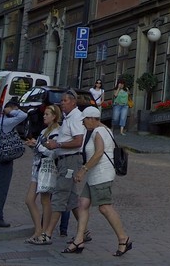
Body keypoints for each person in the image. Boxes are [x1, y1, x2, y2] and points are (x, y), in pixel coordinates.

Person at [66, 105, 132, 256]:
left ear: (91, 119)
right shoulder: (104, 129)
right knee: (82, 203)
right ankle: (79, 239)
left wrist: (83, 170)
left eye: (84, 120)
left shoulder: (98, 131)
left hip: (101, 174)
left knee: (104, 207)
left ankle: (123, 238)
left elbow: (99, 153)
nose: (83, 123)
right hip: (95, 176)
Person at [43, 86, 87, 243]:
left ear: (73, 102)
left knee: (60, 195)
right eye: (61, 100)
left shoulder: (75, 118)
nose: (62, 103)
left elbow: (78, 141)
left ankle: (46, 234)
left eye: (65, 100)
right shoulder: (69, 117)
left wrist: (58, 145)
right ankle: (84, 231)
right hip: (65, 160)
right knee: (71, 199)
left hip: (70, 160)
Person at [0, 98, 29, 227]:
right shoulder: (8, 122)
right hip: (4, 158)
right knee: (2, 188)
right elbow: (24, 115)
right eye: (15, 109)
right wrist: (12, 111)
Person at [25, 103, 62, 245]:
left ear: (54, 116)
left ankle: (43, 232)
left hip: (47, 168)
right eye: (44, 114)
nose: (44, 116)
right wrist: (33, 145)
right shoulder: (44, 131)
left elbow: (52, 152)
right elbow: (40, 149)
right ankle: (39, 230)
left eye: (47, 114)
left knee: (45, 200)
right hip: (37, 167)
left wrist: (37, 145)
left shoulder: (57, 132)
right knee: (29, 199)